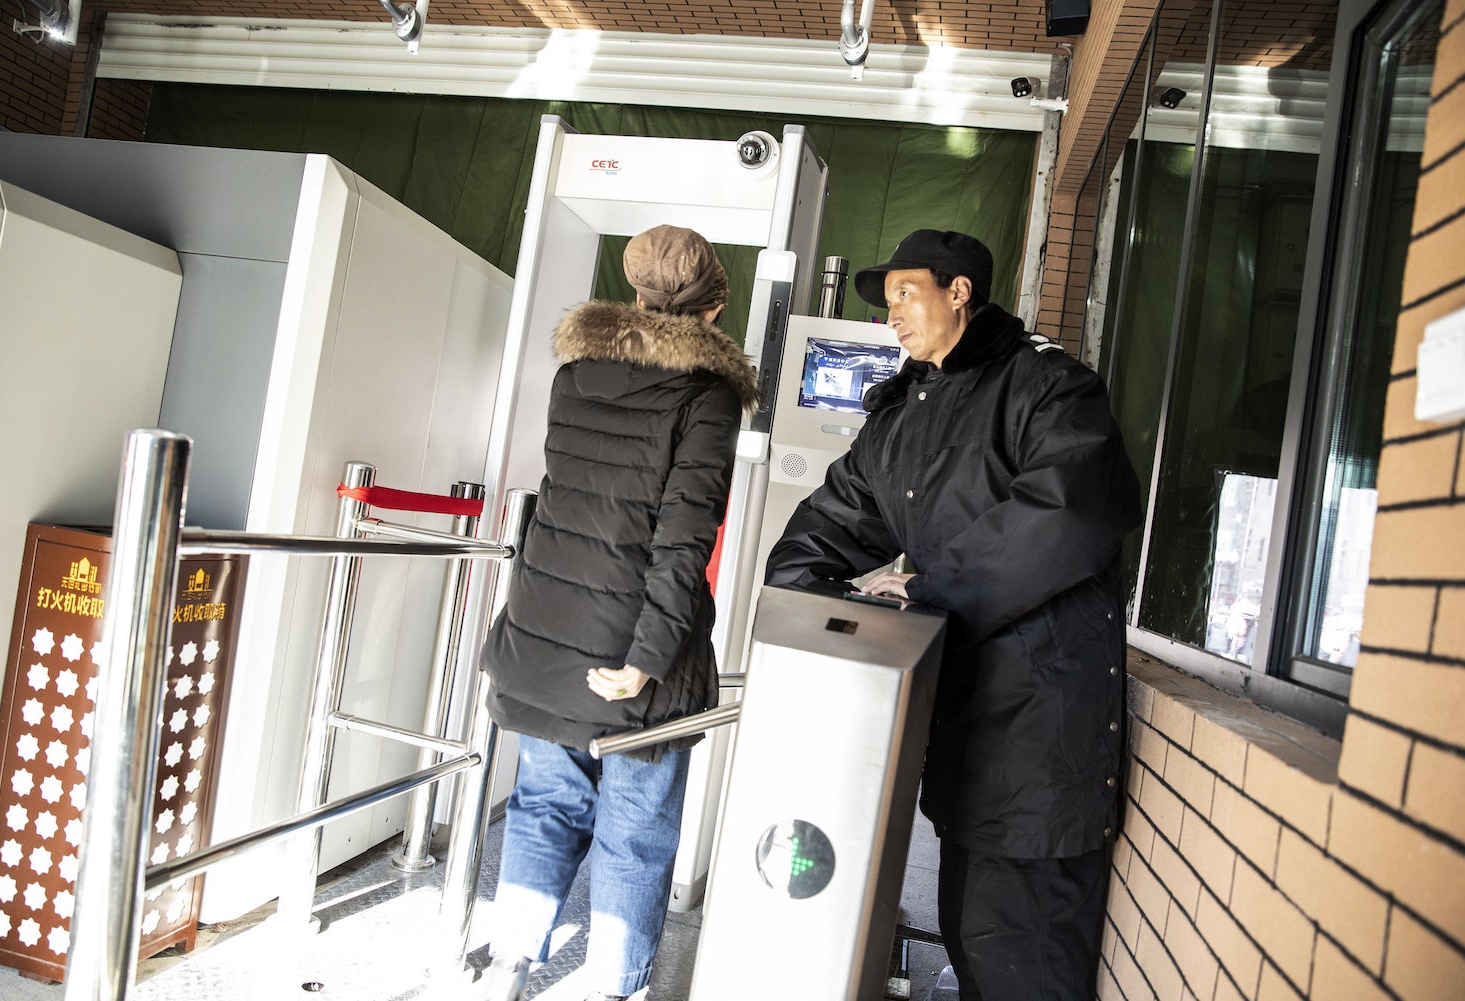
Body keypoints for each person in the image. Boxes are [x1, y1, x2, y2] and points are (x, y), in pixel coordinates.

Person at [765, 229, 1142, 999]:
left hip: (1042, 737)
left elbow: (1066, 516)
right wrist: (797, 610)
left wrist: (930, 588)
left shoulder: (1047, 386)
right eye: (889, 301)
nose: (893, 314)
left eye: (906, 292)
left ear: (958, 290)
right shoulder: (907, 411)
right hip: (966, 730)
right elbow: (834, 517)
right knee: (972, 936)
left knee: (1019, 960)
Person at [475, 224, 758, 1001]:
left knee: (544, 801)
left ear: (635, 290)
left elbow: (560, 501)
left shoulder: (577, 371)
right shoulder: (708, 394)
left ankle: (509, 962)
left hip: (546, 628)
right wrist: (650, 656)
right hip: (628, 648)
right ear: (716, 303)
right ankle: (611, 985)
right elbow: (684, 534)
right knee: (634, 828)